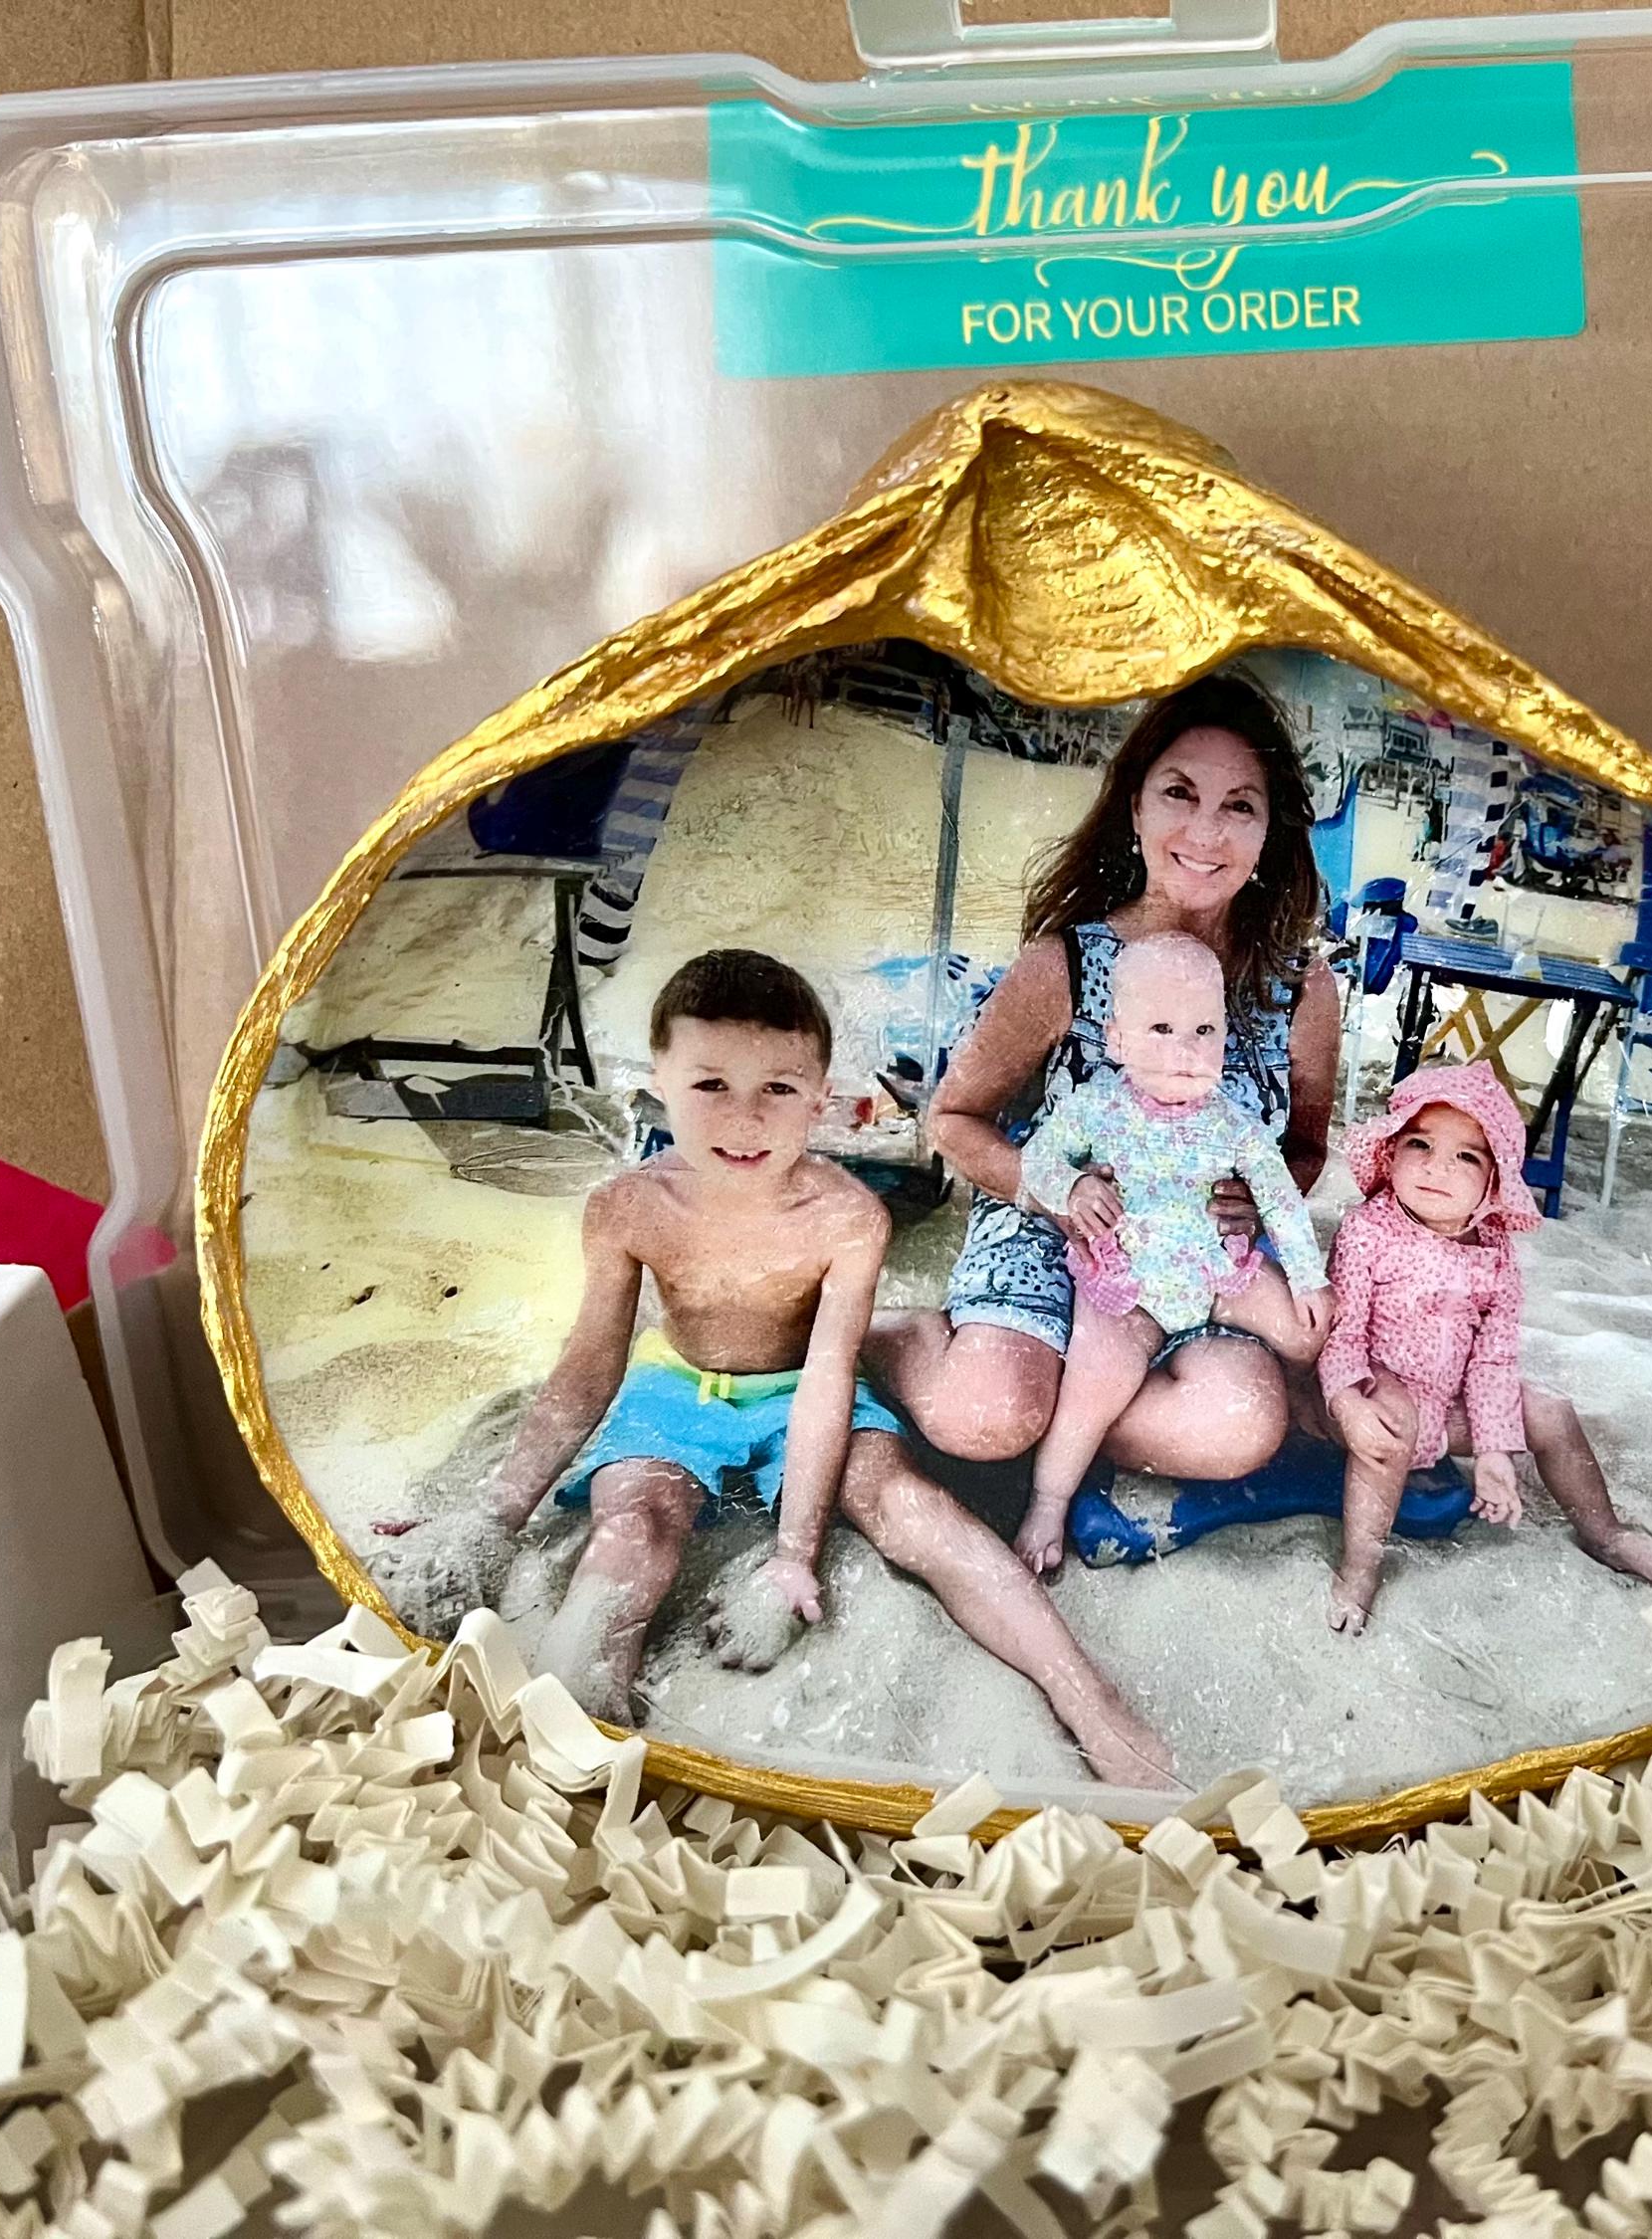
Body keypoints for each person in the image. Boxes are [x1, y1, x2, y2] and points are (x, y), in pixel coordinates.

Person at [367, 948, 1172, 1786]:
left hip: (803, 1387)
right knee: (635, 1528)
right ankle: (577, 1731)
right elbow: (589, 1365)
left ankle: (1091, 1701)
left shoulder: (847, 1217)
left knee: (909, 1506)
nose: (745, 1119)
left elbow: (827, 1374)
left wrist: (794, 1555)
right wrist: (496, 1513)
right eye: (711, 1085)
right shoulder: (627, 1206)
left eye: (778, 1090)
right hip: (677, 1387)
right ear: (659, 1082)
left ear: (821, 1098)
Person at [864, 671, 1341, 1495]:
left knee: (1237, 1425)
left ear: (1271, 833)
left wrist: (1259, 1203)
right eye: (1180, 793)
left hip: (1195, 1256)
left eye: (1239, 806)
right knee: (985, 1416)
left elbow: (1303, 1147)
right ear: (1135, 807)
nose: (1206, 830)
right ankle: (896, 1337)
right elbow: (954, 1119)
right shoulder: (1067, 964)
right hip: (1050, 1228)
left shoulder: (1301, 987)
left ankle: (1061, 1413)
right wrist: (1056, 1192)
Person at [1313, 1062, 1652, 1633]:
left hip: (1449, 1404)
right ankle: (1360, 1567)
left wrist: (1492, 1449)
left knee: (1551, 1412)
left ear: (1493, 1183)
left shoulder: (1495, 1252)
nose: (1437, 1166)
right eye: (1419, 1144)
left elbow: (1492, 1360)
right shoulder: (1368, 1230)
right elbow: (1343, 1334)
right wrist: (1348, 1404)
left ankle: (1604, 1532)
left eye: (1466, 1156)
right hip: (1370, 1394)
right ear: (1390, 1153)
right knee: (1394, 1418)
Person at [1012, 932, 1332, 1574]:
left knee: (1308, 1329)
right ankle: (1049, 1501)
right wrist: (1072, 1187)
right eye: (1161, 1029)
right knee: (1093, 1387)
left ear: (1225, 1037)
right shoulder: (1097, 1107)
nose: (1185, 1051)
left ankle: (1310, 1419)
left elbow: (1280, 1201)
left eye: (1203, 1030)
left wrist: (1306, 1277)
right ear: (1117, 1040)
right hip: (1127, 1284)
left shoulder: (1232, 1122)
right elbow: (1038, 1157)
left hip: (1214, 1272)